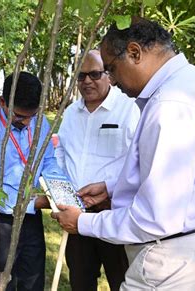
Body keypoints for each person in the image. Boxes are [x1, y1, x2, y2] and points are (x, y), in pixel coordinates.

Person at [52, 17, 195, 290]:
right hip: (190, 251)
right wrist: (112, 187)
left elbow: (153, 218)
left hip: (171, 261)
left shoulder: (170, 106)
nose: (112, 81)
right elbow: (175, 176)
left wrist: (83, 223)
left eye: (111, 70)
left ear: (135, 53)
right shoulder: (191, 83)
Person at [54, 50, 140, 290]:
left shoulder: (129, 110)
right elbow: (61, 152)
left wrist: (110, 191)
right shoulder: (71, 113)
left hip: (113, 212)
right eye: (81, 76)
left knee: (122, 280)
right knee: (81, 281)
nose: (87, 81)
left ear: (109, 76)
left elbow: (137, 160)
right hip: (77, 214)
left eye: (94, 74)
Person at [0, 72, 61, 291]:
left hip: (31, 220)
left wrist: (59, 190)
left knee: (32, 279)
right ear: (3, 102)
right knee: (3, 281)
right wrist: (33, 203)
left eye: (32, 116)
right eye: (20, 117)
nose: (27, 122)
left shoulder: (39, 124)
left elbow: (49, 161)